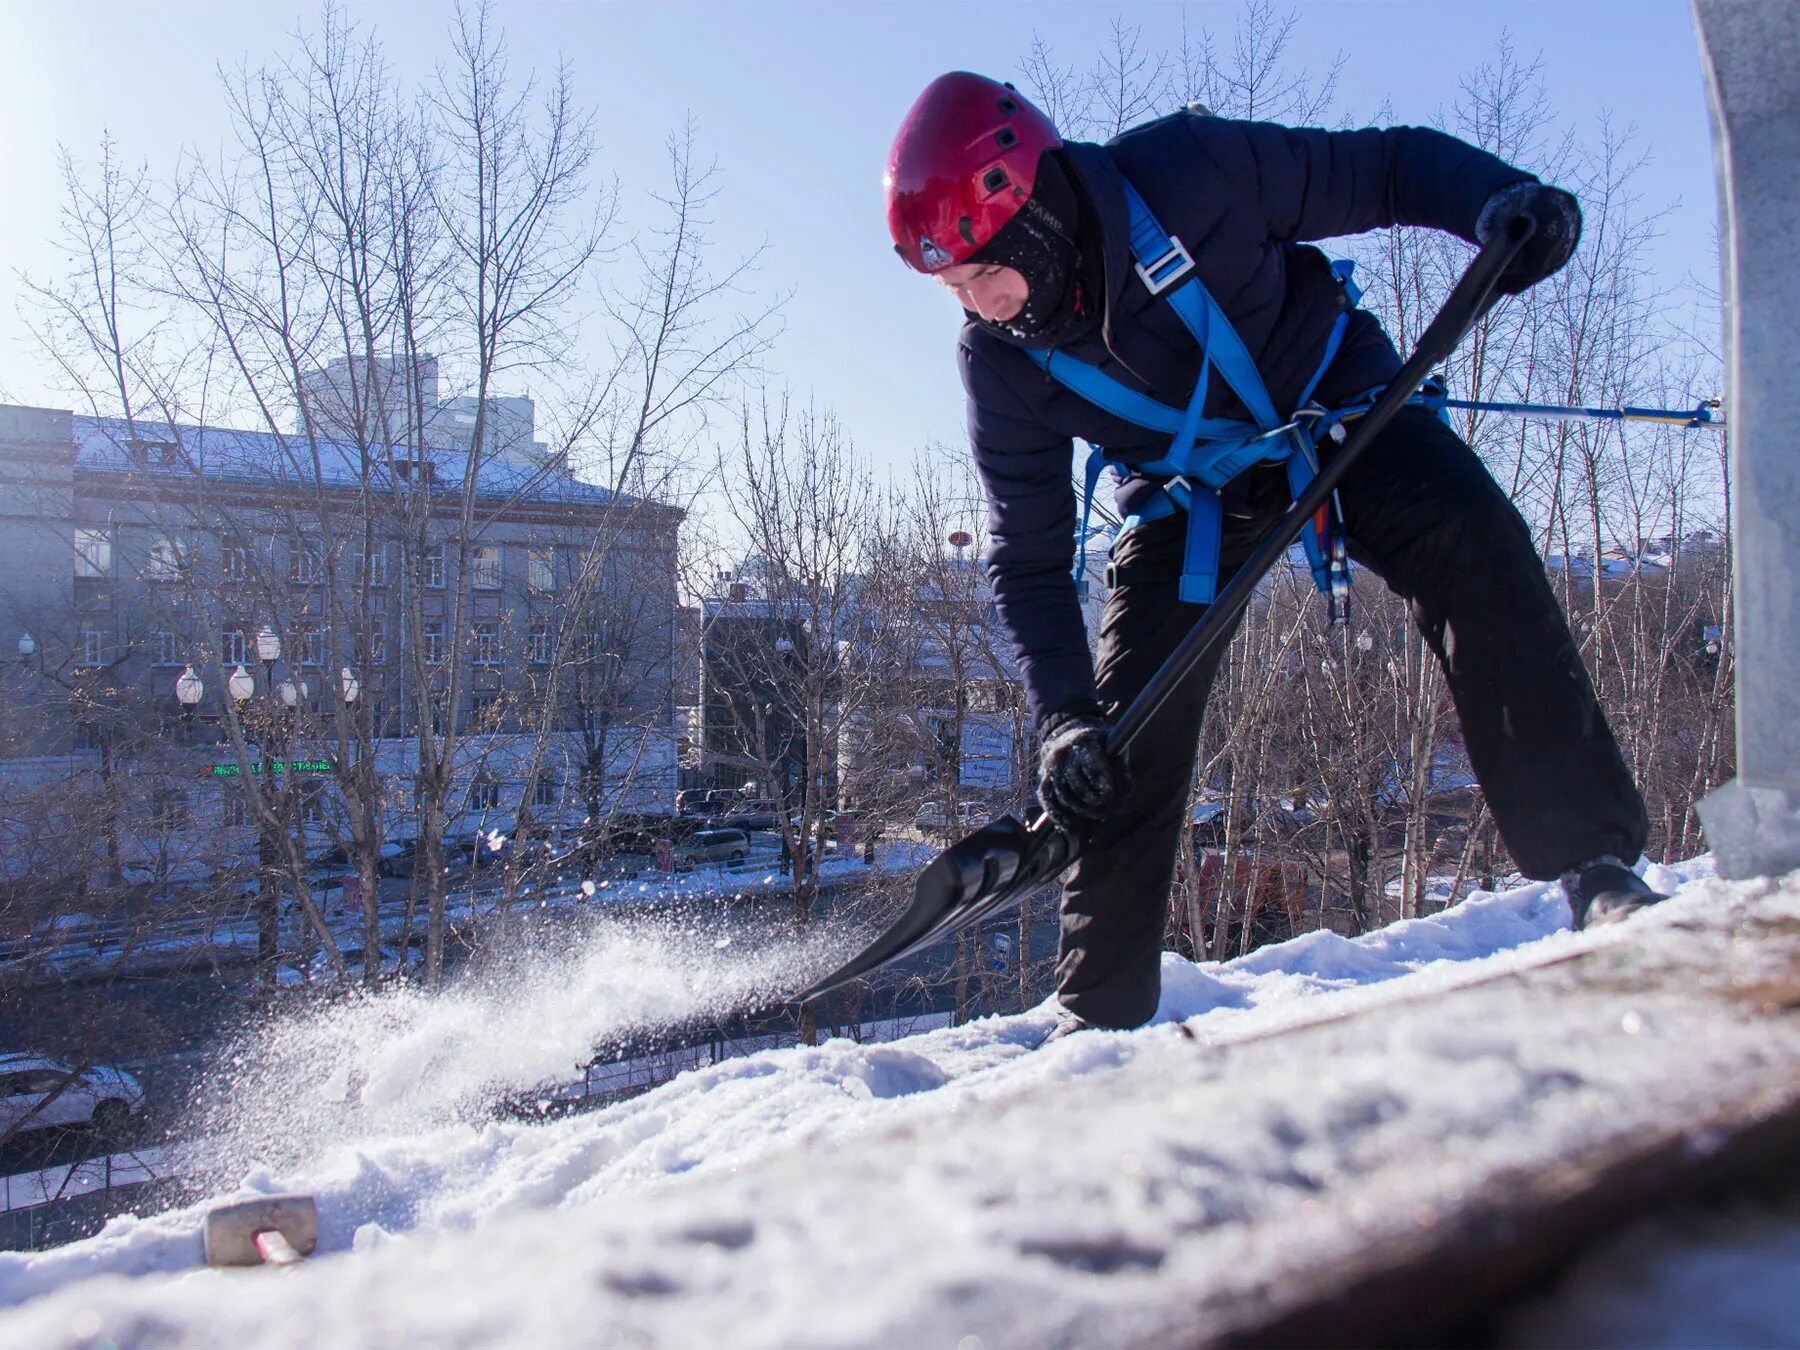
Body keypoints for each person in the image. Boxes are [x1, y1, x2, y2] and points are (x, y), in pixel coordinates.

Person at [883, 72, 1664, 1035]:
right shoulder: (998, 358)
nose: (978, 304)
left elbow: (1385, 168)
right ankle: (1099, 1012)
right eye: (953, 289)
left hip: (1332, 408)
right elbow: (1028, 558)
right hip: (1188, 495)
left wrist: (1494, 203)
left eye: (983, 272)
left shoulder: (1191, 172)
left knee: (1471, 536)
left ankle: (1595, 868)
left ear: (1037, 217)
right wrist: (1064, 724)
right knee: (1121, 737)